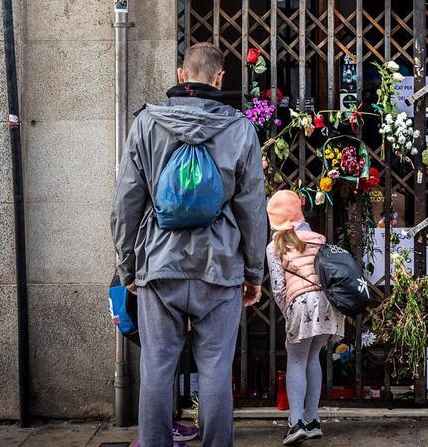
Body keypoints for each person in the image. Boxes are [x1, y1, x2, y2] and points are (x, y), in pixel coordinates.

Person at [112, 43, 267, 447]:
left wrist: (128, 268)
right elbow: (252, 208)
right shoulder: (240, 129)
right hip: (220, 267)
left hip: (159, 265)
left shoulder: (147, 123)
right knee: (215, 368)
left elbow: (126, 203)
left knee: (157, 367)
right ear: (220, 78)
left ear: (181, 75)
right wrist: (254, 273)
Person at [265, 190, 345, 445]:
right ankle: (313, 420)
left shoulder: (275, 246)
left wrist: (289, 313)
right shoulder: (318, 239)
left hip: (301, 305)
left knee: (296, 361)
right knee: (313, 358)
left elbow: (279, 288)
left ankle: (296, 422)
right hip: (327, 305)